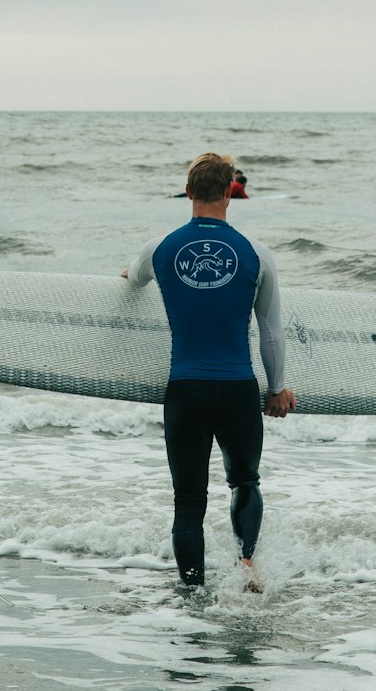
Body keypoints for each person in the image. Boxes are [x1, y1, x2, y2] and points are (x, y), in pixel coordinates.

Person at [122, 151, 296, 590]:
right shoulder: (258, 253)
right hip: (238, 389)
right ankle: (247, 566)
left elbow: (134, 278)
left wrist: (129, 274)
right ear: (228, 193)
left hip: (186, 391)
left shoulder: (159, 248)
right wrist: (277, 389)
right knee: (244, 480)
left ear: (188, 191)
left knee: (188, 503)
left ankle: (193, 595)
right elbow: (271, 333)